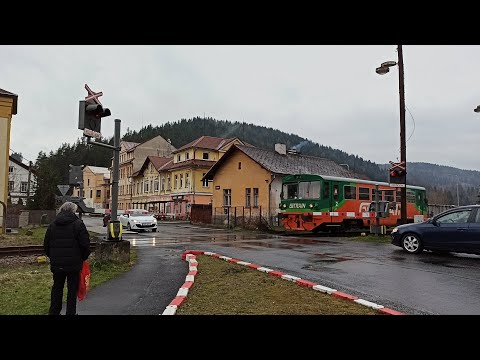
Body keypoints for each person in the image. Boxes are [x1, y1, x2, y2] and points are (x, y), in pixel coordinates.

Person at [43, 202, 91, 315]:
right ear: (73, 211)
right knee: (72, 290)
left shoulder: (53, 224)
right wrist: (81, 258)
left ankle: (54, 312)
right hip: (74, 265)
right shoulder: (78, 224)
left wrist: (54, 258)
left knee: (57, 289)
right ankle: (70, 313)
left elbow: (46, 245)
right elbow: (85, 245)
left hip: (57, 264)